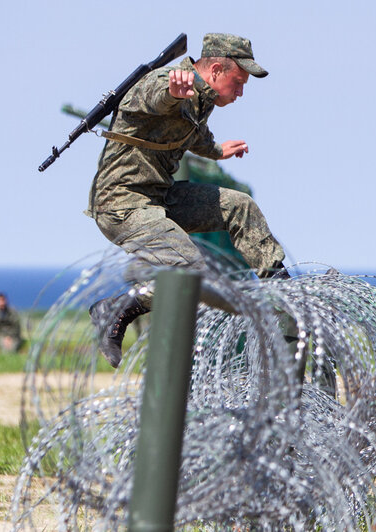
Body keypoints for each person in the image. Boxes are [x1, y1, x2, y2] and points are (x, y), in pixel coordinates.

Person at [86, 33, 289, 368]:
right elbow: (152, 99)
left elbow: (190, 130)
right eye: (238, 83)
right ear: (215, 70)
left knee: (239, 206)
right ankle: (116, 309)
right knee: (192, 270)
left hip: (159, 198)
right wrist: (170, 92)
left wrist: (217, 150)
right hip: (122, 203)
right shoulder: (168, 81)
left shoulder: (203, 97)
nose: (241, 93)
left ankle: (280, 287)